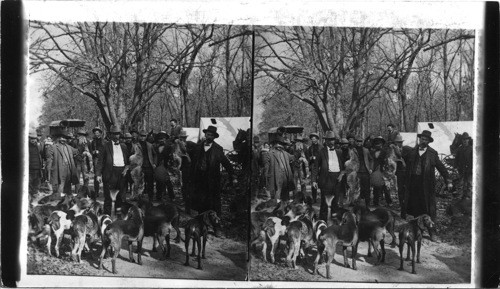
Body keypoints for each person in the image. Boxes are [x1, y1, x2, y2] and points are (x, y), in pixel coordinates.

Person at [405, 130, 452, 241]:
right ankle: (417, 231)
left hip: (427, 187)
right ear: (419, 139)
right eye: (422, 139)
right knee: (415, 209)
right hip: (413, 185)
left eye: (425, 139)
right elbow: (404, 165)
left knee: (430, 210)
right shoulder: (412, 152)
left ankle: (432, 233)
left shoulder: (432, 153)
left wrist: (448, 180)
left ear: (428, 142)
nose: (423, 141)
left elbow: (442, 168)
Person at [191, 126, 237, 217]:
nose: (209, 137)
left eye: (211, 135)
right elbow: (192, 163)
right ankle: (201, 218)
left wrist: (233, 175)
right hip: (199, 178)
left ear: (214, 137)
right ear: (205, 134)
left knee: (212, 200)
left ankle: (213, 220)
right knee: (200, 199)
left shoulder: (218, 149)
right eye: (208, 134)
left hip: (212, 179)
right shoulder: (197, 147)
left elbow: (226, 163)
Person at [96, 125, 130, 215]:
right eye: (114, 134)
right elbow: (100, 161)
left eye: (118, 134)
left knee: (120, 197)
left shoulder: (124, 146)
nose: (116, 136)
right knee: (108, 198)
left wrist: (126, 168)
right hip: (110, 173)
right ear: (110, 134)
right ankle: (107, 217)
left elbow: (128, 161)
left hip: (121, 173)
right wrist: (98, 174)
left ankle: (118, 217)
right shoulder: (105, 146)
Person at [311, 131, 345, 221]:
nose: (331, 142)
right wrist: (314, 180)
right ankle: (323, 222)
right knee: (324, 203)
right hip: (326, 179)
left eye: (332, 140)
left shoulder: (339, 152)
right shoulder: (321, 152)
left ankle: (335, 222)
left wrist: (341, 174)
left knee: (335, 202)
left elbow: (344, 166)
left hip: (337, 179)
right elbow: (315, 167)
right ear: (325, 141)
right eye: (329, 140)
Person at [47, 130, 79, 200]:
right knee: (61, 186)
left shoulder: (69, 147)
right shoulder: (53, 147)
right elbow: (49, 161)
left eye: (64, 138)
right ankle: (59, 202)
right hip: (59, 169)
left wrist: (81, 143)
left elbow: (77, 151)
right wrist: (48, 173)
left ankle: (68, 202)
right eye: (61, 138)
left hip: (69, 169)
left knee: (68, 187)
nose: (63, 139)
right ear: (58, 138)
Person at [263, 135, 294, 203]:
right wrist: (266, 178)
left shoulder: (285, 153)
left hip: (286, 175)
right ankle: (277, 208)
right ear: (274, 144)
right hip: (276, 175)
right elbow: (266, 167)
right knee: (278, 192)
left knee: (285, 192)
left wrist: (298, 152)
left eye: (281, 144)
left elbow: (293, 157)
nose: (279, 145)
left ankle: (285, 206)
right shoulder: (269, 154)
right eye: (278, 143)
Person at [390, 134, 411, 218]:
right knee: (400, 189)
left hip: (407, 172)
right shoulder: (392, 150)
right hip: (399, 172)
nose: (399, 144)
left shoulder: (405, 149)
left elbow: (401, 155)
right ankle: (401, 204)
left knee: (407, 189)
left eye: (400, 142)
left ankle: (407, 205)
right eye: (398, 142)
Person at [370, 136, 391, 206]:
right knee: (376, 186)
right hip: (376, 170)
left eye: (379, 143)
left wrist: (386, 170)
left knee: (386, 187)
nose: (378, 145)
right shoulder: (372, 152)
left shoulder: (385, 152)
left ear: (382, 144)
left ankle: (389, 202)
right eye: (376, 143)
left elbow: (388, 161)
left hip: (384, 171)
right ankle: (376, 202)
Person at [154, 131, 175, 202]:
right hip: (158, 166)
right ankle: (159, 196)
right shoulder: (156, 147)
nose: (161, 140)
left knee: (168, 182)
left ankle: (172, 196)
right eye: (160, 139)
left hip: (167, 167)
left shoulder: (169, 147)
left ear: (165, 139)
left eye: (163, 138)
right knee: (158, 182)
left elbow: (172, 157)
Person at [353, 135, 373, 206]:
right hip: (356, 172)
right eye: (357, 141)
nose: (359, 143)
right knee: (357, 189)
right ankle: (357, 203)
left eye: (360, 141)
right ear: (355, 142)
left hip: (365, 172)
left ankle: (367, 203)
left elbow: (371, 160)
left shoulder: (366, 150)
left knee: (367, 188)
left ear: (362, 142)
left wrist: (370, 168)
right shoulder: (353, 150)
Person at [138, 129, 157, 201]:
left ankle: (151, 198)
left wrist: (154, 163)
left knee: (150, 183)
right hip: (140, 167)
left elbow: (155, 154)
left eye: (144, 136)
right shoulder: (136, 145)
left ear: (146, 137)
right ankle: (140, 199)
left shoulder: (150, 145)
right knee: (140, 184)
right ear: (139, 136)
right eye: (141, 136)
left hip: (149, 166)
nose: (142, 137)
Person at [178, 130, 193, 213]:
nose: (182, 139)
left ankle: (188, 205)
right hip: (181, 168)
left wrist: (186, 155)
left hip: (188, 168)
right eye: (181, 137)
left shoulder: (189, 144)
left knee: (188, 186)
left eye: (184, 137)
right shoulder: (177, 145)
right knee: (183, 185)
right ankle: (184, 200)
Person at [74, 129, 93, 193]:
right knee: (77, 177)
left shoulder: (88, 142)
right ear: (78, 135)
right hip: (77, 162)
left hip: (85, 162)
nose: (82, 136)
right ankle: (77, 192)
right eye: (80, 135)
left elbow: (91, 152)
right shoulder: (74, 142)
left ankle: (85, 191)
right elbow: (72, 152)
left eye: (83, 135)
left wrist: (87, 154)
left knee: (86, 177)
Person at [291, 135, 309, 202]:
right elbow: (290, 157)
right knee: (294, 183)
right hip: (294, 167)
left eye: (300, 141)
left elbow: (307, 157)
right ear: (295, 141)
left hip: (302, 167)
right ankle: (295, 198)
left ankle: (303, 198)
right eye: (297, 141)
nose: (298, 142)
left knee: (303, 183)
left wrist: (304, 160)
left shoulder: (305, 148)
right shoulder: (292, 148)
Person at [455, 132, 473, 200]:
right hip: (461, 169)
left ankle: (468, 197)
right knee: (461, 183)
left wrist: (472, 169)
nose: (465, 141)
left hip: (469, 169)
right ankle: (460, 196)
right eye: (463, 139)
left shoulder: (471, 149)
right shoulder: (459, 149)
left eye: (466, 139)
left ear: (468, 140)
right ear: (462, 140)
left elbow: (474, 159)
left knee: (469, 183)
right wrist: (455, 166)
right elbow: (456, 158)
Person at [90, 127, 106, 199]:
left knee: (105, 176)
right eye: (95, 133)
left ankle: (105, 191)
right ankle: (96, 191)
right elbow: (91, 151)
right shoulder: (93, 142)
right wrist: (93, 152)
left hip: (104, 160)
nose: (96, 134)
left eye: (97, 132)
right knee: (96, 176)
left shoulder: (104, 141)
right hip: (96, 159)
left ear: (100, 133)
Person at [307, 133, 323, 203]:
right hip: (313, 166)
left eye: (314, 139)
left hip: (321, 166)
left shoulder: (321, 147)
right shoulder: (310, 148)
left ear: (317, 139)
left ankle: (323, 197)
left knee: (322, 182)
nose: (313, 140)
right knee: (313, 182)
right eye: (312, 139)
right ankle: (314, 198)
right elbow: (308, 157)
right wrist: (311, 158)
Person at [29, 130, 43, 200]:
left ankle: (34, 196)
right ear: (29, 138)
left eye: (34, 138)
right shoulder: (26, 147)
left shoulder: (38, 146)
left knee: (36, 183)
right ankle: (29, 198)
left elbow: (40, 156)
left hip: (37, 168)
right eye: (31, 138)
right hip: (30, 169)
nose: (33, 140)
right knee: (30, 184)